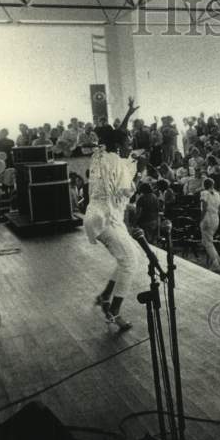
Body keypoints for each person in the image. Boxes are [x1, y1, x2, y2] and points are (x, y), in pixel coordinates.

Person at [85, 97, 142, 332]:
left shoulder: (99, 155)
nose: (130, 143)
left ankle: (105, 296)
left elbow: (117, 134)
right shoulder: (117, 164)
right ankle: (114, 312)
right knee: (131, 261)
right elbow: (125, 192)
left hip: (96, 216)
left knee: (127, 256)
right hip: (106, 219)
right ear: (119, 146)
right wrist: (138, 176)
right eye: (128, 141)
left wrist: (128, 114)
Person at [199, 178, 220, 272]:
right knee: (209, 240)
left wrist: (201, 219)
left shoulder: (204, 193)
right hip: (215, 219)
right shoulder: (217, 194)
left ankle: (215, 264)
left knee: (207, 242)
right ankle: (218, 258)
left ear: (204, 185)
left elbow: (204, 208)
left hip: (207, 218)